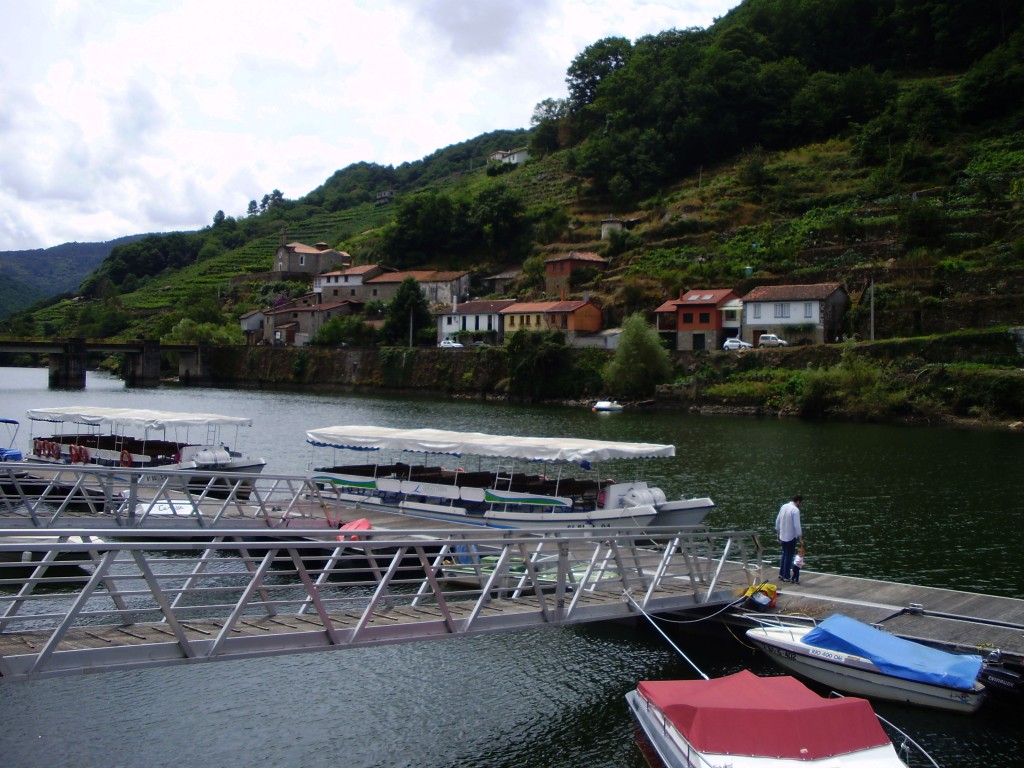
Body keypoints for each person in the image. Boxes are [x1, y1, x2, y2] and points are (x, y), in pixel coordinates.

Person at [774, 494, 803, 582]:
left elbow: (778, 520)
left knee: (784, 554)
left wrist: (778, 533)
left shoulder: (784, 506)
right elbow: (796, 525)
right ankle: (786, 575)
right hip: (790, 536)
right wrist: (800, 538)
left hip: (782, 535)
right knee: (789, 556)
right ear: (798, 501)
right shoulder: (795, 510)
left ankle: (781, 573)